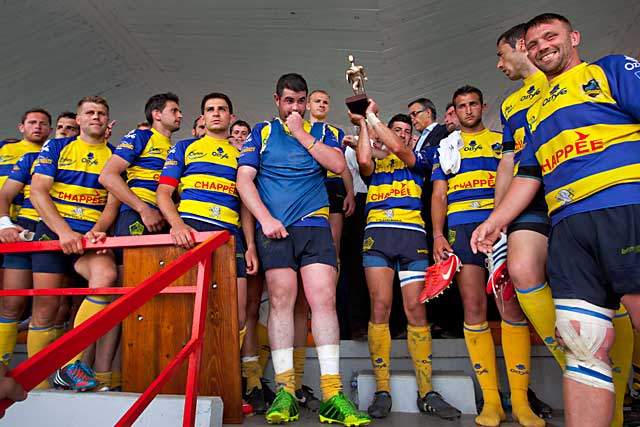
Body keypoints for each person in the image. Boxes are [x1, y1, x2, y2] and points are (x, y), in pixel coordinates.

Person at [471, 13, 640, 427]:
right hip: (568, 228)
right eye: (535, 42)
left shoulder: (610, 69)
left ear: (574, 37)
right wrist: (496, 220)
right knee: (582, 346)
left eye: (552, 36)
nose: (544, 46)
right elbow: (528, 174)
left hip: (624, 210)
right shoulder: (535, 112)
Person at [237, 73, 369, 425]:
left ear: (307, 102)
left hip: (314, 224)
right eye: (289, 101)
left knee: (323, 301)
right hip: (276, 229)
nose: (295, 107)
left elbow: (340, 166)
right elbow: (244, 180)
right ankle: (285, 391)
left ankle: (332, 393)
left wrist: (301, 133)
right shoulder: (262, 132)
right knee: (281, 302)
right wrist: (265, 219)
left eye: (301, 101)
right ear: (277, 100)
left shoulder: (323, 133)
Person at [432, 85, 543, 427]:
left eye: (472, 104)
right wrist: (437, 233)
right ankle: (491, 401)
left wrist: (504, 221)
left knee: (510, 305)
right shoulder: (446, 146)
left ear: (482, 106)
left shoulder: (500, 141)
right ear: (454, 110)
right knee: (474, 308)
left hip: (499, 227)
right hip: (462, 231)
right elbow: (438, 194)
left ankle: (521, 401)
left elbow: (518, 180)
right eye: (461, 106)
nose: (467, 110)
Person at [351, 105, 460, 420]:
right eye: (395, 130)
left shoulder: (421, 160)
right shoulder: (377, 161)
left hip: (412, 239)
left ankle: (426, 391)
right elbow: (361, 161)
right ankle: (382, 389)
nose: (400, 135)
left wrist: (373, 120)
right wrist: (362, 125)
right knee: (380, 307)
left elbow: (398, 148)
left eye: (406, 131)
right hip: (378, 238)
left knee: (416, 311)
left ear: (412, 137)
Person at [156, 92, 256, 386]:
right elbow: (163, 193)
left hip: (230, 237)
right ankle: (185, 380)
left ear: (231, 117)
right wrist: (176, 225)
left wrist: (250, 246)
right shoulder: (184, 148)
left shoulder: (243, 155)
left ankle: (225, 379)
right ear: (202, 117)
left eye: (222, 109)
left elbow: (245, 205)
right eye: (210, 110)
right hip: (190, 234)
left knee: (235, 316)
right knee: (187, 313)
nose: (216, 114)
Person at [28, 95, 120, 392]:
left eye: (101, 113)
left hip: (90, 238)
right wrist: (65, 233)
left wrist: (98, 230)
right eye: (90, 112)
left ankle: (69, 366)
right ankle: (37, 384)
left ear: (108, 121)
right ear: (78, 120)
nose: (96, 117)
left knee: (106, 276)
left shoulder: (116, 154)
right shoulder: (56, 146)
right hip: (54, 233)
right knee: (45, 307)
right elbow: (38, 193)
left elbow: (112, 205)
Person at [0, 108, 52, 366]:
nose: (38, 127)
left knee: (48, 308)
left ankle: (38, 377)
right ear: (21, 127)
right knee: (10, 304)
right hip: (14, 231)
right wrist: (4, 223)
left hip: (45, 234)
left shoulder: (57, 154)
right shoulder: (8, 151)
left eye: (44, 123)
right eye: (32, 122)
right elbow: (4, 195)